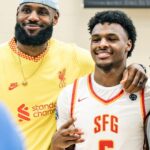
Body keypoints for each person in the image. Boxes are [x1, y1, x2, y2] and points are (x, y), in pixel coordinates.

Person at [0, 0, 147, 149]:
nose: (32, 17)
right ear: (17, 14)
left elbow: (110, 62)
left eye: (42, 12)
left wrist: (138, 67)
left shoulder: (73, 57)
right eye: (26, 10)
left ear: (55, 18)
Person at [51, 10, 150, 150]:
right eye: (96, 39)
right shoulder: (70, 94)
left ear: (128, 44)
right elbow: (65, 146)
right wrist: (56, 146)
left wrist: (141, 67)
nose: (102, 44)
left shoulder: (145, 93)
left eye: (111, 38)